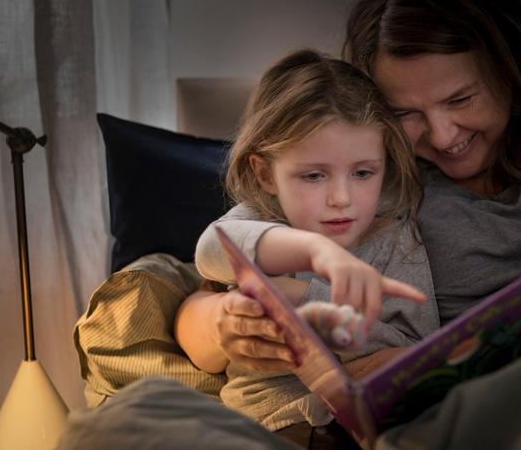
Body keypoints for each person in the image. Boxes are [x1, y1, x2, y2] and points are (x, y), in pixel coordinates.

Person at [178, 0, 521, 375]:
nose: (440, 135)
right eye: (404, 112)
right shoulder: (375, 179)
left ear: (509, 66)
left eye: (461, 99)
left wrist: (452, 358)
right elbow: (213, 281)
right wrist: (223, 326)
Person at [176, 48, 440, 441]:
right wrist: (314, 251)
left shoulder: (394, 237)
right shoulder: (259, 221)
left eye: (363, 172)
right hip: (270, 424)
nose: (341, 198)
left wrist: (303, 297)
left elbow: (415, 351)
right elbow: (211, 249)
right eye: (314, 176)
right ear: (265, 174)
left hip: (365, 427)